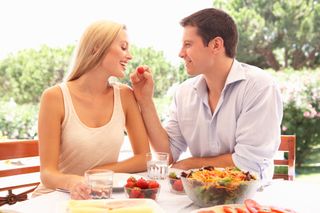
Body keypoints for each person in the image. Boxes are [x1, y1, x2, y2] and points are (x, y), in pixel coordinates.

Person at [130, 8, 283, 180]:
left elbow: (248, 163)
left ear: (216, 45)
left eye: (188, 44)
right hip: (199, 194)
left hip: (249, 198)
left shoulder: (260, 87)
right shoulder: (184, 93)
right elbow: (168, 153)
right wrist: (145, 101)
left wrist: (189, 164)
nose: (180, 53)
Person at [34, 20, 150, 199]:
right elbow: (47, 173)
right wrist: (73, 182)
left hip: (99, 198)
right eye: (123, 47)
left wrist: (102, 171)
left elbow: (144, 157)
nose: (130, 56)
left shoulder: (125, 96)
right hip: (55, 197)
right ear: (96, 48)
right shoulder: (54, 97)